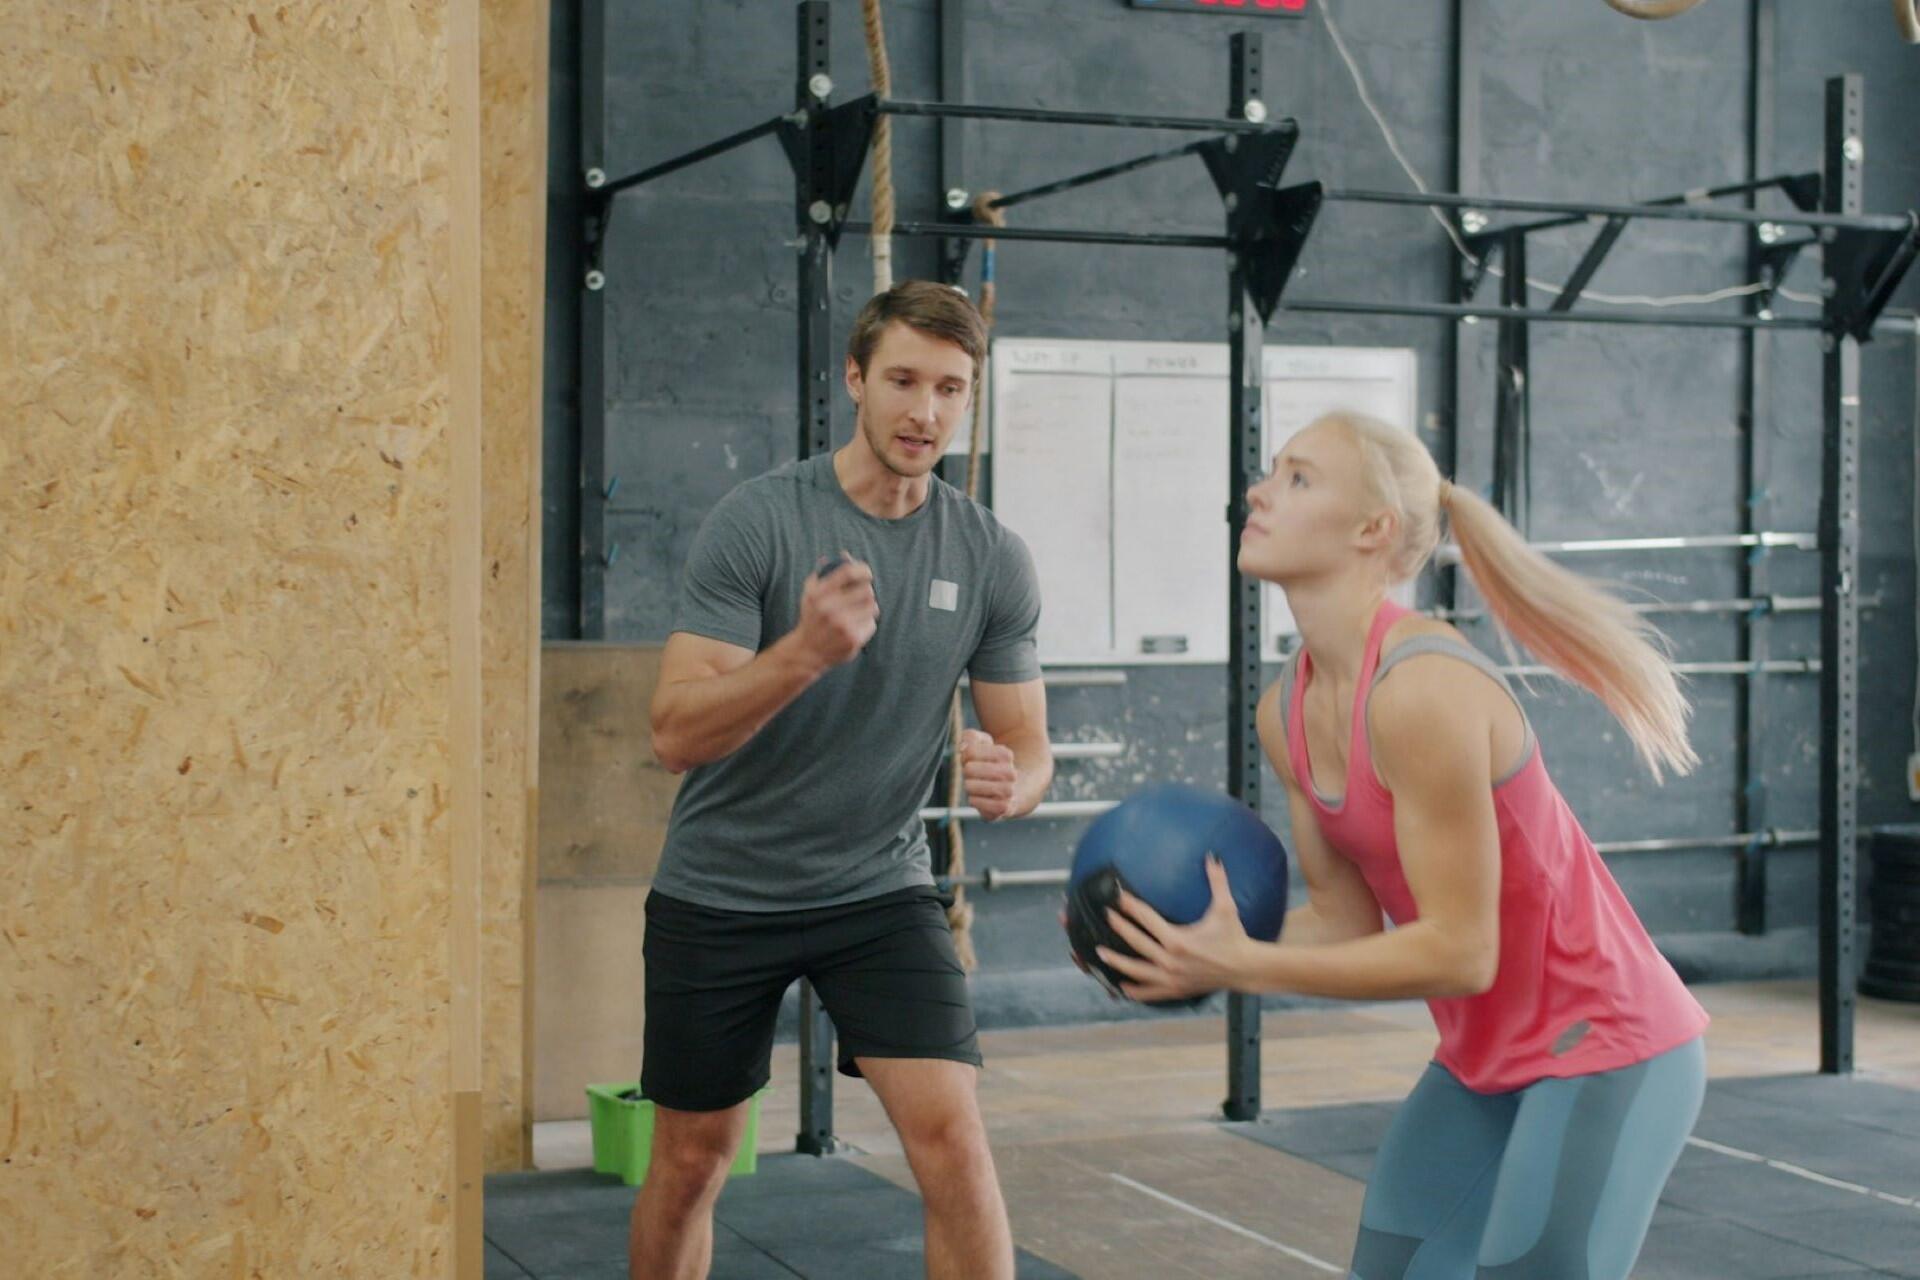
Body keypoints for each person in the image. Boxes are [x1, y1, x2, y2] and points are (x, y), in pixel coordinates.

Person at [1094, 411, 1710, 1280]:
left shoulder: (1422, 690)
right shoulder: (1289, 709)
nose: (1259, 494)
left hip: (1608, 1045)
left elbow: (1460, 951)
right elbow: (1343, 922)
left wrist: (1244, 964)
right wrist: (1170, 940)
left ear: (1373, 530)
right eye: (1272, 472)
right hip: (1485, 1056)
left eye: (1298, 478)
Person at [632, 280, 1052, 1280]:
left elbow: (1027, 740)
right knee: (693, 1160)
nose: (925, 411)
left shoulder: (990, 554)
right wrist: (802, 655)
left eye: (950, 388)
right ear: (856, 378)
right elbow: (674, 734)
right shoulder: (760, 520)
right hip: (723, 887)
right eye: (903, 380)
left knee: (954, 1143)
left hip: (877, 888)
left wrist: (1016, 780)